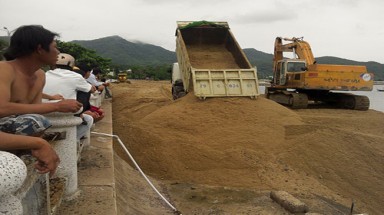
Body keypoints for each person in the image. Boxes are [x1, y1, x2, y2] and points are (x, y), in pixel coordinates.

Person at [0, 25, 82, 176]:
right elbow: (2, 108)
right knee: (36, 122)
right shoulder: (4, 69)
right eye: (55, 47)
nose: (58, 52)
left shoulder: (40, 75)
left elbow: (35, 110)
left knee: (38, 121)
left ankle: (24, 157)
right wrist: (56, 106)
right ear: (39, 49)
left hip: (11, 130)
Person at [43, 53, 95, 140]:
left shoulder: (45, 74)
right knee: (89, 119)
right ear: (72, 65)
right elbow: (91, 90)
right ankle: (73, 141)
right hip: (65, 111)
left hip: (42, 110)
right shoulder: (75, 76)